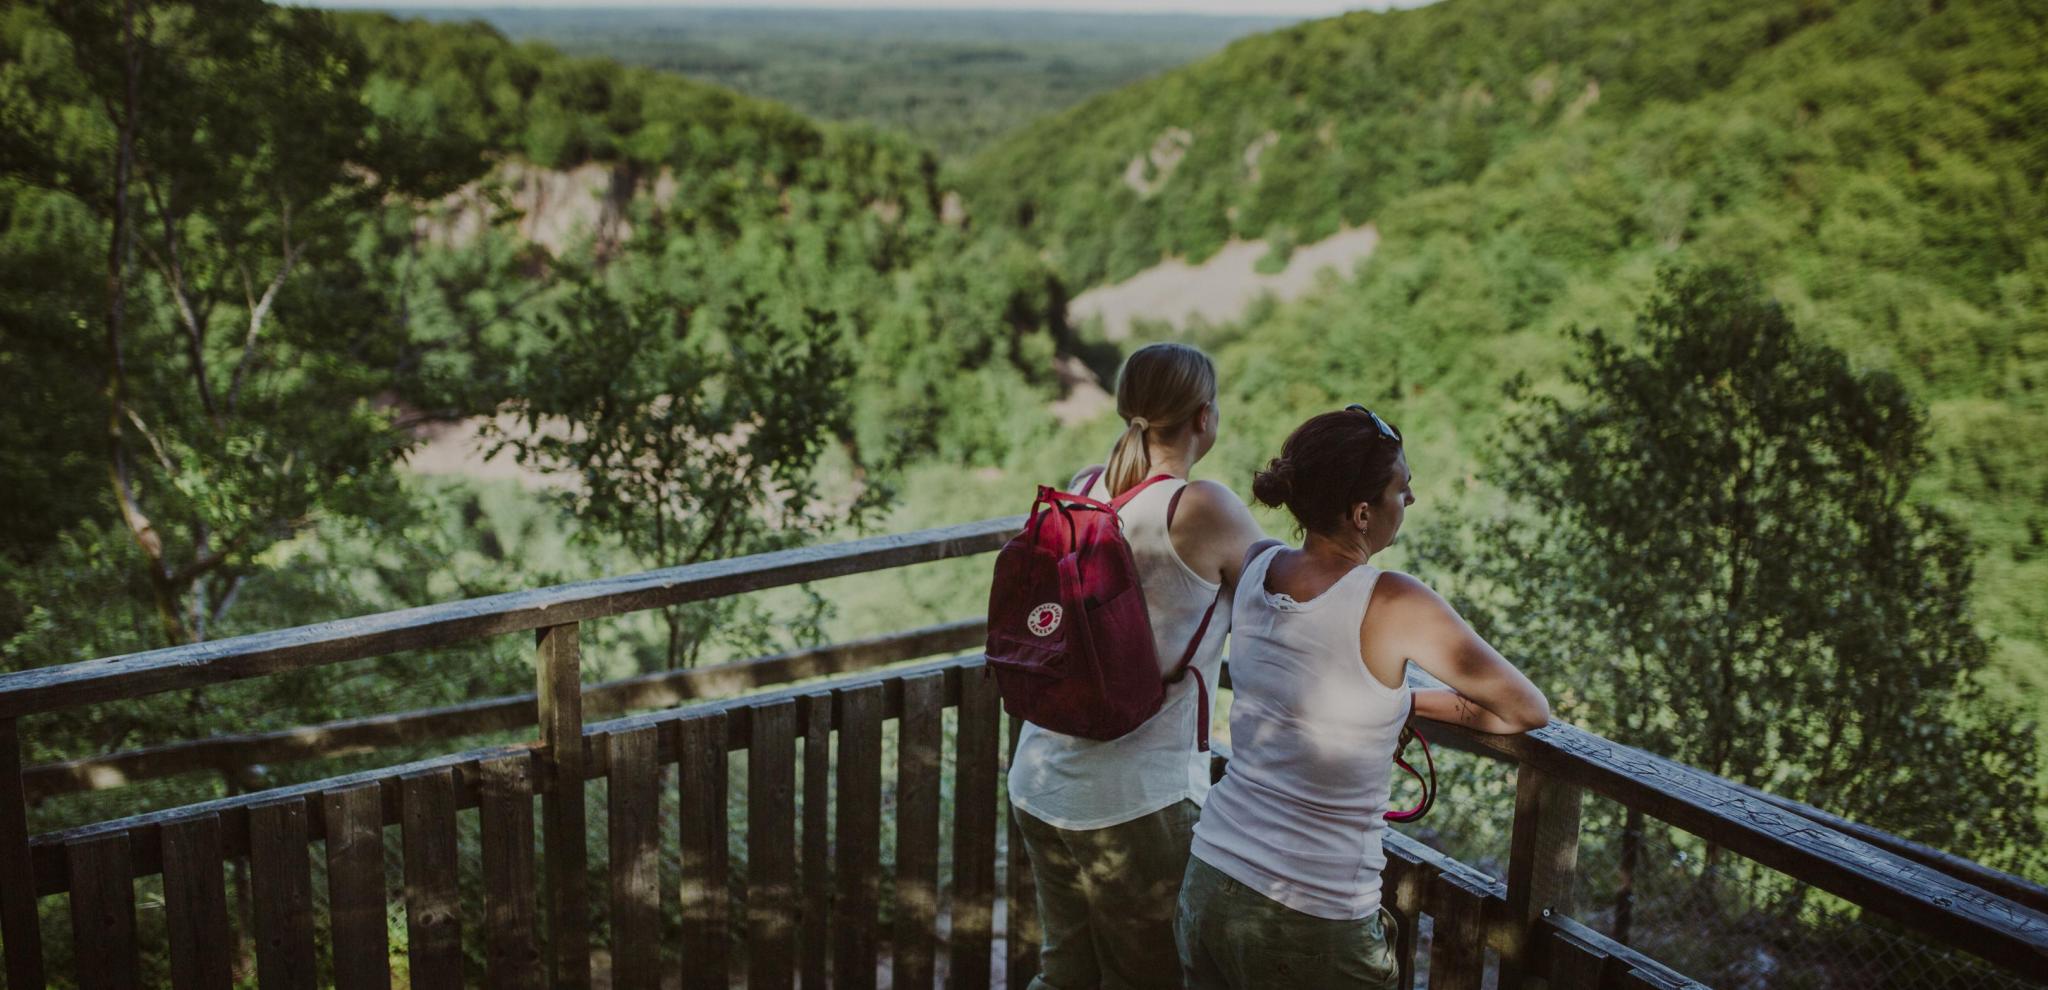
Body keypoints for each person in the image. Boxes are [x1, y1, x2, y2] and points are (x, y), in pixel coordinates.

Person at [1175, 405, 1550, 990]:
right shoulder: (1394, 601)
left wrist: (1394, 705)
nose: (1410, 502)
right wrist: (1407, 703)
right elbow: (1527, 709)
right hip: (1312, 913)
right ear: (1361, 513)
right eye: (1403, 489)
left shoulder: (1256, 565)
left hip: (1211, 880)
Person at [1008, 341, 1267, 990]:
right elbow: (1295, 588)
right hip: (1133, 799)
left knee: (1065, 975)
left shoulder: (1086, 485)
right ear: (1204, 416)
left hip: (1040, 777)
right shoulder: (1201, 507)